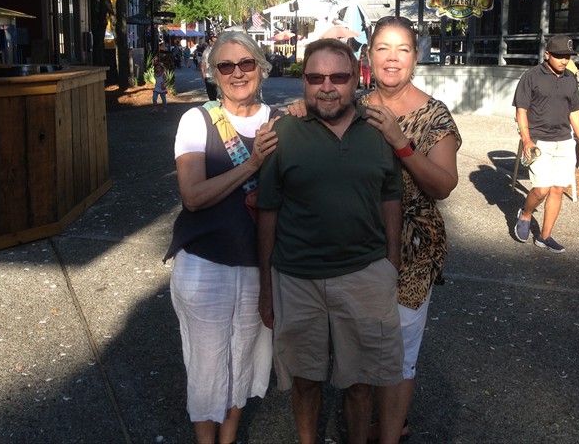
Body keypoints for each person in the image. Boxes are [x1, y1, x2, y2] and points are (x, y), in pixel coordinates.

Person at [256, 38, 404, 444]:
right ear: (302, 81)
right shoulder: (282, 133)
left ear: (356, 78)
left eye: (338, 77)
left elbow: (391, 195)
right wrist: (267, 287)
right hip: (297, 279)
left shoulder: (379, 131)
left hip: (364, 276)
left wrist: (390, 262)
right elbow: (267, 211)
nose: (326, 87)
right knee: (305, 381)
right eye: (315, 77)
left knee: (360, 383)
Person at [163, 31, 281, 444]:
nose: (237, 73)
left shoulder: (280, 123)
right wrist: (252, 165)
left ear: (262, 69)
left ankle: (228, 439)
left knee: (245, 357)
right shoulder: (197, 120)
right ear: (212, 73)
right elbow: (193, 197)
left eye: (246, 64)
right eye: (226, 66)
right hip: (205, 263)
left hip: (258, 265)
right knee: (207, 364)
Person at [359, 15, 461, 443]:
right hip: (358, 243)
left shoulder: (434, 114)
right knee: (361, 348)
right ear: (369, 55)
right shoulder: (354, 105)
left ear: (416, 57)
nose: (392, 58)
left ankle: (390, 433)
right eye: (383, 48)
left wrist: (402, 142)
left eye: (402, 49)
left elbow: (443, 185)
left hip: (413, 247)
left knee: (399, 352)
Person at [512, 34, 579, 253]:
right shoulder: (531, 76)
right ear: (547, 55)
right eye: (559, 56)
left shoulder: (570, 78)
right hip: (539, 142)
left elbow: (575, 111)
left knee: (557, 189)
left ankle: (545, 237)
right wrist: (526, 140)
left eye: (567, 56)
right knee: (542, 188)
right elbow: (521, 110)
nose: (564, 61)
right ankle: (526, 213)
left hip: (564, 142)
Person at [201, 35, 218, 101]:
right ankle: (212, 103)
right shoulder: (206, 52)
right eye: (214, 42)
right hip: (209, 74)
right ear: (210, 41)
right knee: (211, 91)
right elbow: (203, 63)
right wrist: (203, 72)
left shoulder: (219, 50)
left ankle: (215, 102)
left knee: (217, 90)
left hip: (217, 74)